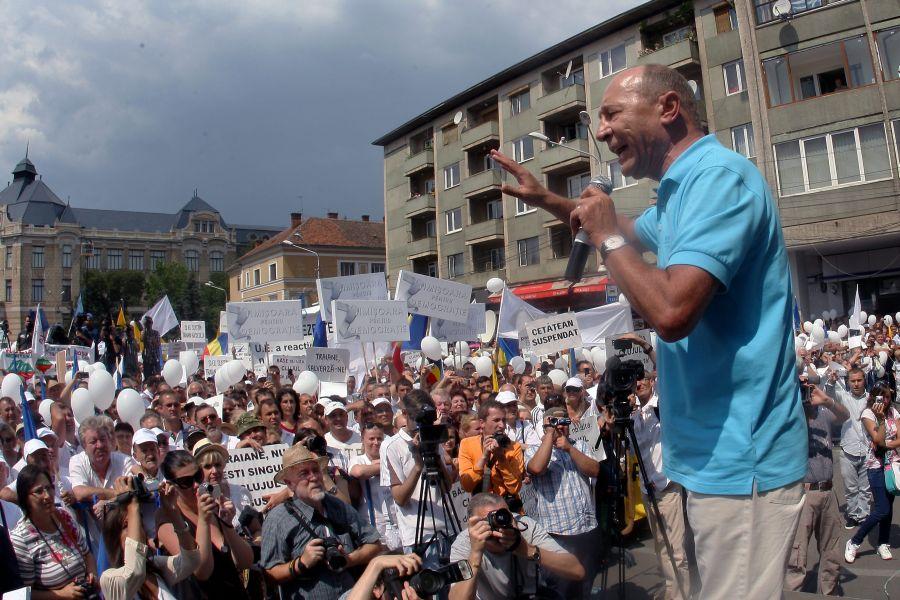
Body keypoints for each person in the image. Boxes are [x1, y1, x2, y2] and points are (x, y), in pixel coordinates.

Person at [491, 64, 807, 598]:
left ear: (667, 108)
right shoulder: (680, 191)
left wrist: (608, 236)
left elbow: (671, 312)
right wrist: (549, 200)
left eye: (612, 113)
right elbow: (628, 235)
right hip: (704, 460)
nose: (602, 130)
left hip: (742, 463)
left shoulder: (719, 179)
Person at [260, 444, 382, 600]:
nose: (314, 477)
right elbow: (268, 575)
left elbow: (374, 544)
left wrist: (348, 560)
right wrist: (301, 563)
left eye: (316, 470)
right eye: (304, 473)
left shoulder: (338, 506)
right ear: (289, 483)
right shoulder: (278, 519)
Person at [525, 406, 602, 599]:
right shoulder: (535, 450)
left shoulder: (579, 446)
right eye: (554, 422)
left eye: (563, 422)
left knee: (584, 585)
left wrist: (568, 448)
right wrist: (550, 435)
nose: (560, 427)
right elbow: (536, 468)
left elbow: (594, 469)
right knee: (560, 590)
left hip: (586, 529)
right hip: (558, 533)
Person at [448, 492, 584, 600]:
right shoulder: (465, 542)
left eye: (504, 517)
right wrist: (475, 556)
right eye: (489, 522)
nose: (499, 528)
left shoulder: (525, 527)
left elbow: (577, 571)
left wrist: (525, 548)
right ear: (473, 524)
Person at [156, 450, 253, 598]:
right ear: (171, 485)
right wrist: (203, 520)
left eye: (198, 476)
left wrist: (227, 525)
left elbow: (245, 561)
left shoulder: (212, 504)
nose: (195, 485)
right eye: (186, 482)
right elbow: (201, 571)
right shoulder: (167, 516)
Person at [630, 374, 691, 600]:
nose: (639, 384)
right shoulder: (635, 416)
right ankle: (671, 590)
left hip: (668, 487)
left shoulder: (662, 407)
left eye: (642, 378)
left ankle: (680, 594)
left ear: (651, 381)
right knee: (661, 548)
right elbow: (632, 451)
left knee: (676, 550)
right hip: (648, 490)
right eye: (634, 381)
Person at [785, 383, 849, 595]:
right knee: (797, 556)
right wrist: (799, 406)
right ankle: (794, 594)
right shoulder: (791, 417)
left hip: (828, 491)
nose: (807, 396)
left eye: (808, 390)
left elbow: (844, 416)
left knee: (832, 553)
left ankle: (828, 593)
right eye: (802, 391)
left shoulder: (824, 413)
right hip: (804, 492)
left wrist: (826, 400)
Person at [381, 389, 454, 563]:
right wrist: (418, 464)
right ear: (405, 414)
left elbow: (447, 487)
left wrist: (434, 452)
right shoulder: (390, 446)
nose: (422, 424)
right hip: (417, 536)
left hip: (446, 529)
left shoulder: (432, 436)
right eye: (418, 418)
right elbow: (399, 498)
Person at [100, 476, 201, 599]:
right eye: (127, 525)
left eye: (137, 522)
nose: (136, 528)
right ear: (114, 537)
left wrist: (173, 513)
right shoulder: (110, 579)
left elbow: (192, 560)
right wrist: (132, 504)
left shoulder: (156, 566)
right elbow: (134, 572)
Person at [11, 465, 99, 598]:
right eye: (39, 491)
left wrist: (92, 575)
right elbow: (26, 594)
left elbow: (87, 554)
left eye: (49, 488)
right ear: (25, 497)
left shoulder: (64, 516)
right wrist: (61, 595)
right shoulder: (21, 538)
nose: (47, 496)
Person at [846, 383, 898, 563]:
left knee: (888, 507)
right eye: (881, 397)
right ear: (873, 397)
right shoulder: (868, 414)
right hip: (875, 465)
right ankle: (854, 541)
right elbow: (877, 438)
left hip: (893, 465)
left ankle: (883, 542)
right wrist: (881, 420)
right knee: (882, 508)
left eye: (888, 397)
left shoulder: (894, 412)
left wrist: (886, 444)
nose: (885, 401)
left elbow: (895, 438)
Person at [827, 367, 872, 528]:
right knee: (851, 487)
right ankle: (853, 515)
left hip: (868, 450)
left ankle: (864, 515)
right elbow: (830, 397)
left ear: (864, 380)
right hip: (847, 449)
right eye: (853, 381)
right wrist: (831, 383)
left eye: (859, 380)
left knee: (866, 489)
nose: (856, 384)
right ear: (848, 382)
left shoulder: (871, 399)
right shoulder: (844, 397)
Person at [458, 400, 524, 508]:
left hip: (508, 509)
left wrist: (502, 459)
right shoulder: (467, 444)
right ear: (482, 423)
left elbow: (514, 488)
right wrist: (483, 457)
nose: (502, 425)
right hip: (482, 511)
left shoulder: (514, 447)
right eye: (496, 420)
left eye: (503, 420)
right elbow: (467, 485)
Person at [349, 422, 401, 551]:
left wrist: (379, 465)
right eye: (371, 438)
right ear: (362, 439)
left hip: (397, 523)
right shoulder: (358, 459)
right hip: (373, 526)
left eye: (379, 438)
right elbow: (358, 472)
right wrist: (384, 467)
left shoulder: (391, 457)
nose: (376, 442)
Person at [192, 438, 253, 529]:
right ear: (198, 470)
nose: (215, 471)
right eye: (207, 466)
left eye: (217, 465)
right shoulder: (195, 500)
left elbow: (256, 530)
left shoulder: (240, 492)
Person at [324, 401, 363, 472]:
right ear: (326, 420)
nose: (338, 418)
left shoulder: (361, 437)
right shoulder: (324, 442)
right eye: (333, 416)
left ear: (347, 417)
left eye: (341, 414)